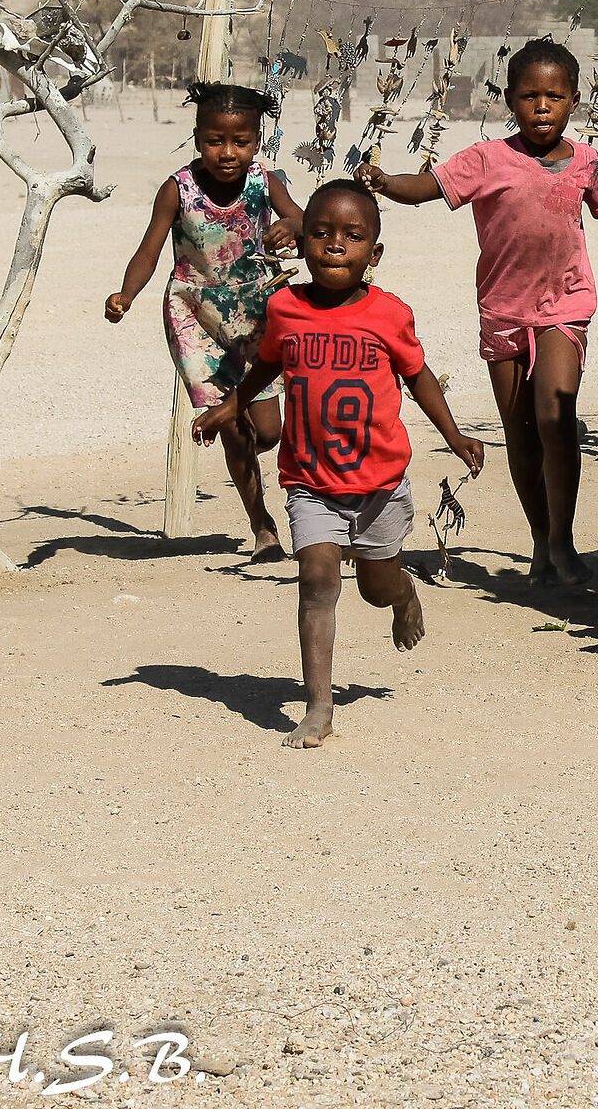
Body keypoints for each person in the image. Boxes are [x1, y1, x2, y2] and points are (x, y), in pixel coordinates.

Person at [195, 179, 485, 748]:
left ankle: (403, 597)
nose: (334, 245)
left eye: (352, 237)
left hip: (379, 483)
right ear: (301, 242)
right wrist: (230, 404)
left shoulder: (389, 314)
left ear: (373, 254)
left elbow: (419, 376)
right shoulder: (285, 308)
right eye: (321, 234)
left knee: (375, 586)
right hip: (309, 480)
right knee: (318, 580)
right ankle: (318, 707)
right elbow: (265, 370)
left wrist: (452, 435)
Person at [361, 38, 598, 587]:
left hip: (564, 303)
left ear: (575, 100)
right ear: (511, 101)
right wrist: (385, 182)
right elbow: (428, 187)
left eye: (555, 96)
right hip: (502, 309)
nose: (543, 107)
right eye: (529, 96)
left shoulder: (586, 161)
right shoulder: (488, 158)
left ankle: (563, 540)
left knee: (555, 421)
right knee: (519, 433)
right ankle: (540, 541)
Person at [106, 82, 304, 560]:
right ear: (198, 138)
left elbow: (304, 217)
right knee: (236, 427)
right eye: (216, 141)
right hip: (195, 318)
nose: (228, 152)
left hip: (256, 313)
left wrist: (289, 227)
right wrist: (126, 293)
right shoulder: (178, 189)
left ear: (257, 139)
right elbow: (150, 248)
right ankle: (263, 528)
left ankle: (238, 446)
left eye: (241, 141)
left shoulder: (265, 181)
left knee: (269, 432)